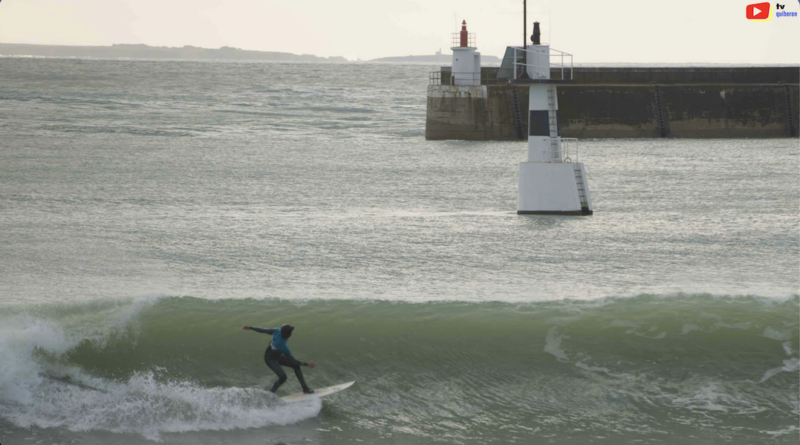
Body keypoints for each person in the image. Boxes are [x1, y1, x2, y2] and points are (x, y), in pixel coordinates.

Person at [243, 324, 316, 394]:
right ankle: (271, 394)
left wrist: (250, 327)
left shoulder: (277, 331)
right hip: (270, 359)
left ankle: (305, 389)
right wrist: (306, 364)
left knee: (296, 366)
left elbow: (263, 330)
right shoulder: (283, 347)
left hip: (279, 356)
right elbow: (293, 360)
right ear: (289, 334)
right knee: (283, 377)